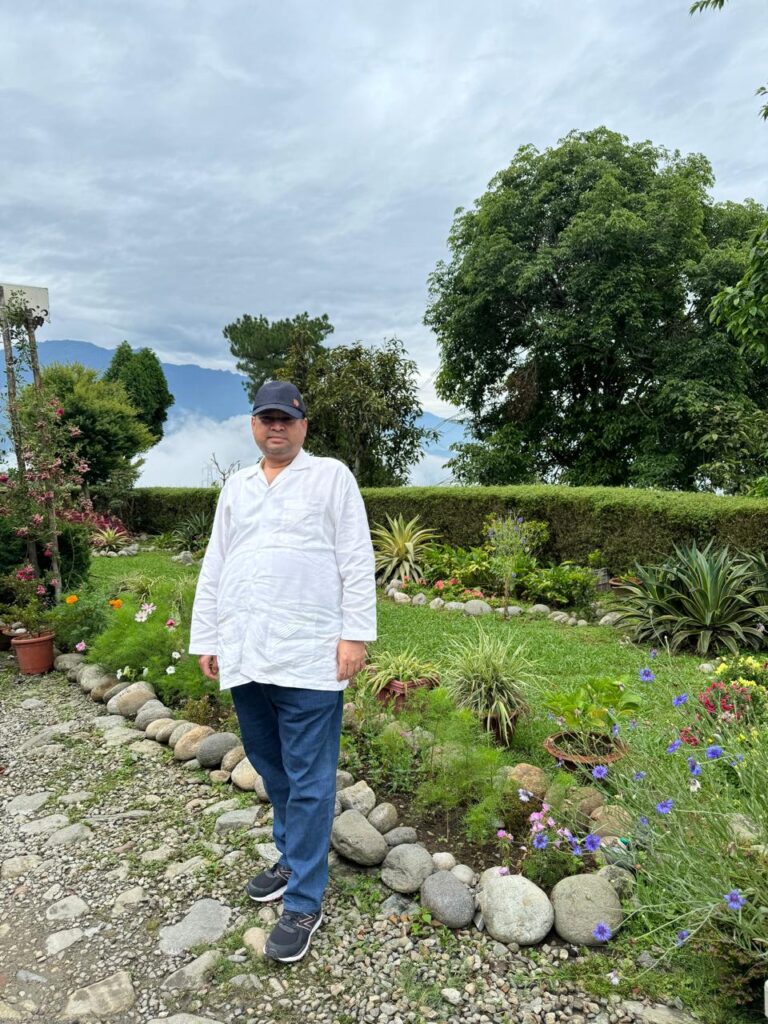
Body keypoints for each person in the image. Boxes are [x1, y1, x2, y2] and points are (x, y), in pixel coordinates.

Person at [188, 379, 377, 963]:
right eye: (266, 418)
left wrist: (354, 635)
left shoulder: (331, 478)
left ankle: (304, 900)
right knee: (272, 767)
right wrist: (208, 635)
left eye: (286, 419)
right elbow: (217, 562)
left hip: (310, 656)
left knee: (312, 777)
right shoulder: (237, 487)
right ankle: (293, 856)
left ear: (302, 426)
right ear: (252, 425)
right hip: (247, 654)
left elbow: (355, 556)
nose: (276, 427)